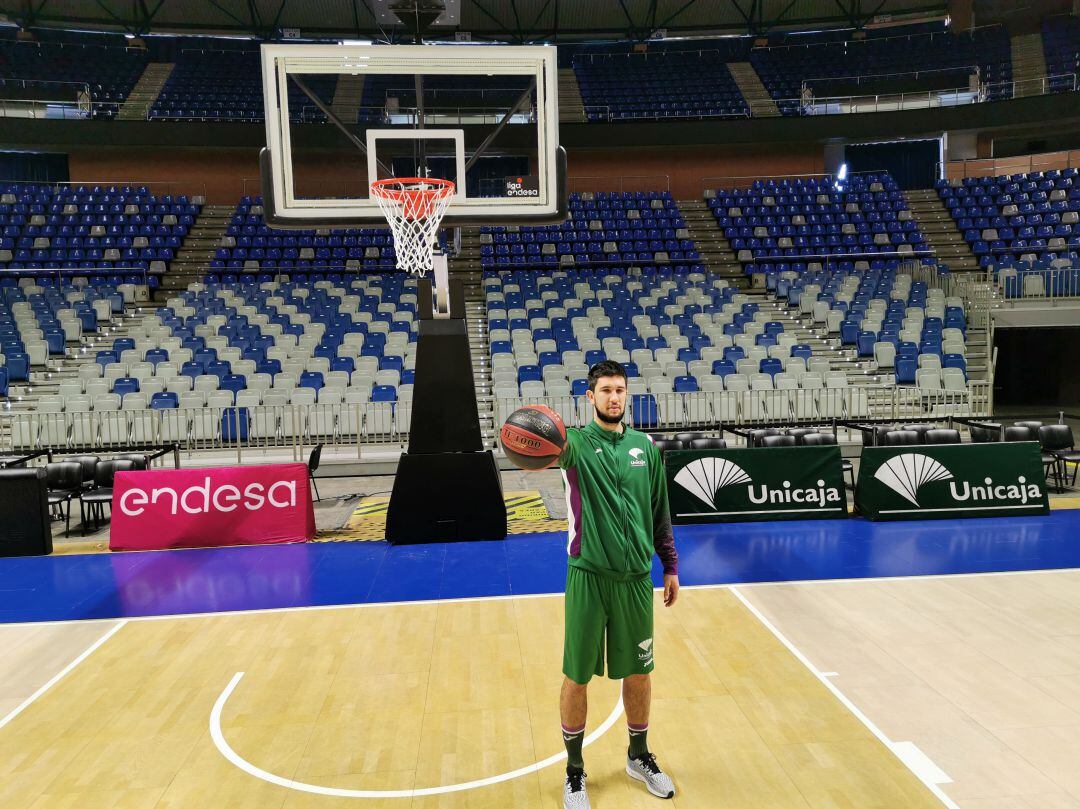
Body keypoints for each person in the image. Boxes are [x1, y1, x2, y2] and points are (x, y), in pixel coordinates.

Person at [553, 360, 679, 807]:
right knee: (577, 676)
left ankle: (639, 756)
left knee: (640, 673)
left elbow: (660, 509)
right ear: (590, 397)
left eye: (620, 390)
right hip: (588, 576)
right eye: (605, 390)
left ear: (628, 395)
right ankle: (574, 771)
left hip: (634, 581)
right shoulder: (575, 445)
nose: (613, 397)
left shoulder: (646, 447)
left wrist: (670, 565)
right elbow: (541, 452)